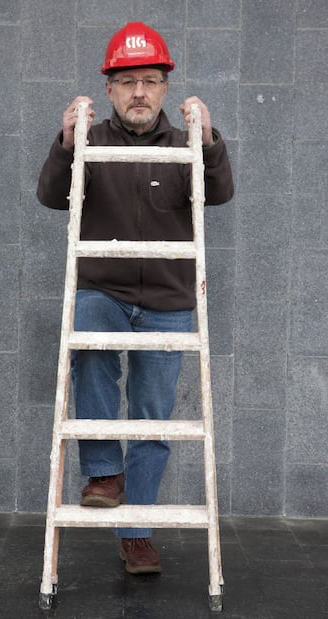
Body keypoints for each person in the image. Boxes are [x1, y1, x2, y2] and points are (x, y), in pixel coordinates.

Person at [37, 22, 234, 575]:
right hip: (105, 289)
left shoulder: (186, 141)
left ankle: (137, 531)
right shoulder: (92, 140)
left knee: (153, 416)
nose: (139, 93)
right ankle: (104, 474)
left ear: (165, 87)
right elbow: (51, 197)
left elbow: (219, 193)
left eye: (150, 81)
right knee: (90, 357)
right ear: (110, 90)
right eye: (128, 83)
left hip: (170, 299)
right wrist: (66, 142)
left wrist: (210, 141)